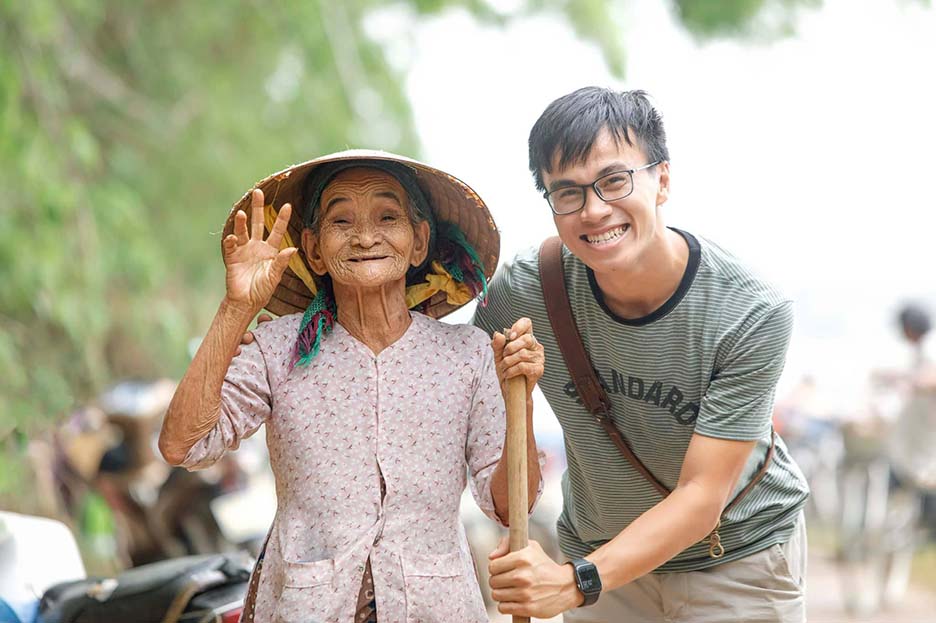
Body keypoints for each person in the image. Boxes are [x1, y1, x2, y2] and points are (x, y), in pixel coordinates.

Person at [158, 150, 544, 623]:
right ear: (314, 248)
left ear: (418, 241)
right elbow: (184, 445)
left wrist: (518, 399)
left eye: (388, 216)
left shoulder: (467, 354)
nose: (365, 236)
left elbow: (511, 506)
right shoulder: (278, 348)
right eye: (342, 220)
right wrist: (238, 306)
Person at [475, 88, 810, 622]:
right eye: (567, 192)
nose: (594, 210)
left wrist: (573, 582)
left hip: (736, 558)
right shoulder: (520, 294)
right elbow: (491, 452)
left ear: (663, 180)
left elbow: (703, 495)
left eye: (614, 180)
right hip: (600, 548)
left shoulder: (749, 310)